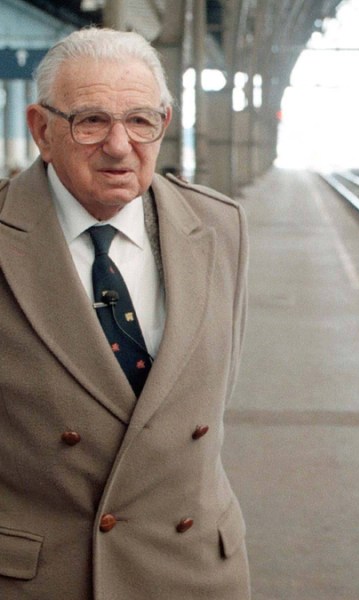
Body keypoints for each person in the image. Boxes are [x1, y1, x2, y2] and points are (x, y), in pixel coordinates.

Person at [0, 28, 249, 599]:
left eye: (141, 121)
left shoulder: (220, 227)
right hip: (40, 579)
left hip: (191, 571)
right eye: (91, 121)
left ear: (163, 122)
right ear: (41, 129)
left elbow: (213, 390)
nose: (119, 145)